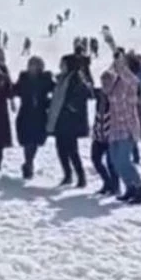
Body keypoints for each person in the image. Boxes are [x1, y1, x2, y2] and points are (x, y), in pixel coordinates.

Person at [102, 49, 141, 204]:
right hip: (115, 126)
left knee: (124, 160)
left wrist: (114, 49)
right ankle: (130, 187)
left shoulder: (132, 82)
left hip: (128, 126)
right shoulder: (116, 82)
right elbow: (105, 81)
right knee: (115, 161)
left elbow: (123, 71)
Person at [47, 54, 93, 187]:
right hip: (60, 118)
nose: (60, 66)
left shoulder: (76, 78)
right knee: (61, 148)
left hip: (70, 121)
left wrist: (70, 106)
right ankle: (67, 174)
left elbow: (83, 94)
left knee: (72, 150)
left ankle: (81, 176)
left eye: (63, 64)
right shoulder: (62, 78)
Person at [11, 56, 54, 179]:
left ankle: (28, 163)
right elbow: (15, 90)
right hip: (26, 114)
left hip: (39, 115)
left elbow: (55, 90)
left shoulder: (45, 79)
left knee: (34, 141)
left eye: (35, 65)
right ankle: (28, 164)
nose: (32, 68)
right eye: (31, 65)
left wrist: (49, 103)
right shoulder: (24, 78)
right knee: (27, 141)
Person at [91, 87, 119, 196]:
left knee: (111, 163)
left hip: (111, 136)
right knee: (96, 159)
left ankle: (115, 187)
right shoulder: (99, 96)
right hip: (98, 135)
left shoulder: (115, 99)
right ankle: (107, 183)